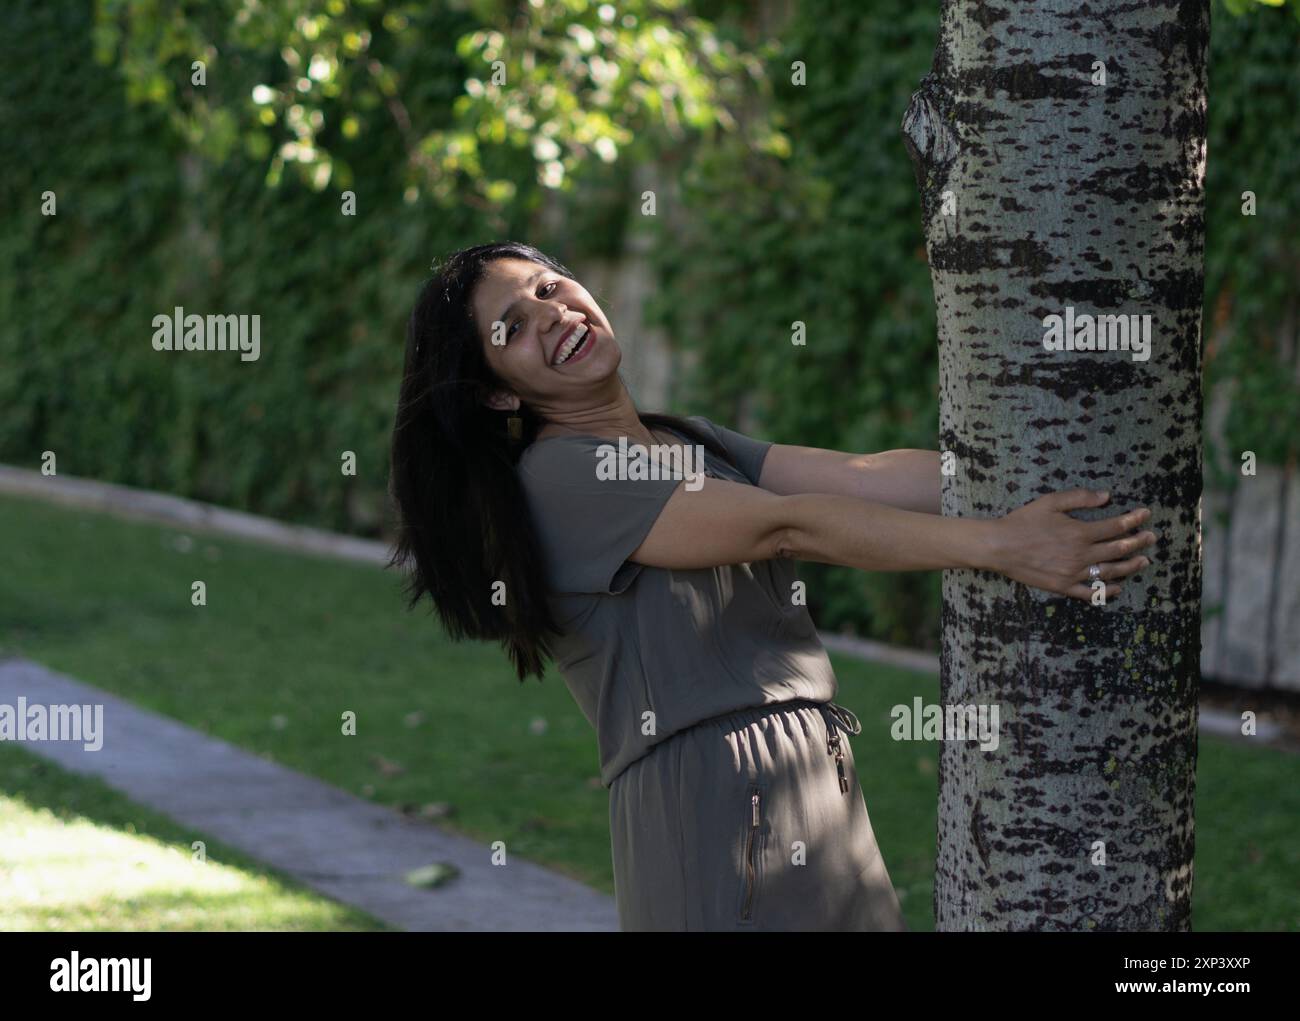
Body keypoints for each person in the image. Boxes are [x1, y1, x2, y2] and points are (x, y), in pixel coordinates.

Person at [387, 241, 1156, 931]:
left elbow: (862, 475)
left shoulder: (681, 439)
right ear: (498, 393)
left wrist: (1021, 474)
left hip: (814, 785)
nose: (552, 314)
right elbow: (785, 526)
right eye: (513, 327)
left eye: (549, 287)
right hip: (712, 805)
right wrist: (1002, 546)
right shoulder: (561, 476)